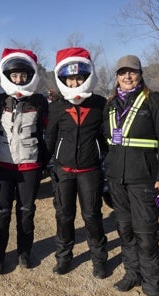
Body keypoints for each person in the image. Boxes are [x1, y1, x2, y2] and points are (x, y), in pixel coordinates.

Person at [103, 55, 159, 296]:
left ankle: (154, 288)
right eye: (123, 72)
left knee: (146, 236)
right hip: (117, 180)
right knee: (125, 231)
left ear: (140, 74)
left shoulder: (154, 100)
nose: (127, 77)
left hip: (144, 181)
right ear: (116, 76)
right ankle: (132, 274)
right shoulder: (111, 105)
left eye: (132, 72)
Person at [44, 47, 108, 279]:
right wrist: (45, 164)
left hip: (90, 171)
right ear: (64, 80)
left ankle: (99, 259)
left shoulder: (99, 104)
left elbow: (106, 136)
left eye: (79, 77)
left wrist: (106, 161)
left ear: (86, 77)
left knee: (92, 216)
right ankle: (63, 257)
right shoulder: (57, 106)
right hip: (64, 172)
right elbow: (50, 138)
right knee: (64, 216)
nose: (75, 82)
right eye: (70, 78)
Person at [0, 48, 49, 274]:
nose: (19, 79)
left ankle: (24, 252)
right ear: (8, 76)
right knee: (0, 212)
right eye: (15, 75)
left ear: (30, 76)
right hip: (2, 165)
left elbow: (51, 131)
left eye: (23, 75)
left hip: (30, 165)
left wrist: (45, 160)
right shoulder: (0, 100)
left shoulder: (40, 101)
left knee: (26, 211)